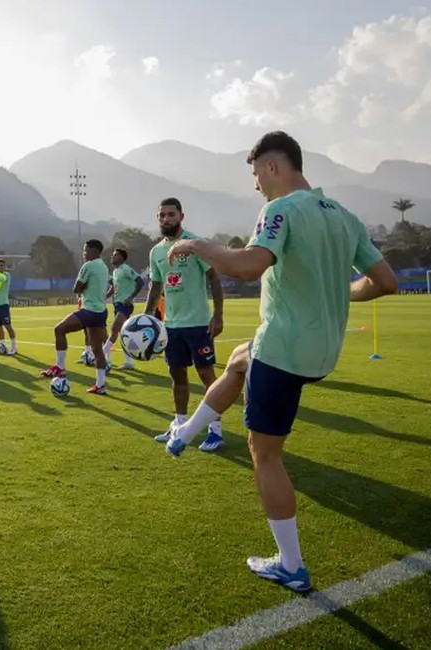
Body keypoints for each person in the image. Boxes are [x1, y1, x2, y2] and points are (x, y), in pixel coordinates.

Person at [162, 130, 398, 592]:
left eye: (255, 174)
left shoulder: (280, 210)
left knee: (265, 456)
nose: (255, 185)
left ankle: (290, 564)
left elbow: (250, 265)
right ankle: (186, 433)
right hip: (320, 352)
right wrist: (345, 290)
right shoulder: (345, 217)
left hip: (286, 348)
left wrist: (199, 246)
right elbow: (386, 281)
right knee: (239, 359)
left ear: (272, 167)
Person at [145, 197, 226, 452]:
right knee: (177, 375)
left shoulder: (194, 244)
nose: (166, 219)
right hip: (172, 325)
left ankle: (215, 430)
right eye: (161, 215)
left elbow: (214, 278)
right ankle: (179, 424)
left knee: (206, 376)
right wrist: (147, 317)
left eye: (171, 214)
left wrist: (218, 315)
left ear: (181, 216)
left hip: (199, 322)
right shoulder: (156, 252)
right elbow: (156, 286)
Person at [40, 239, 110, 394]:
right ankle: (100, 385)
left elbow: (76, 288)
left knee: (59, 329)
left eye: (85, 250)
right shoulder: (104, 267)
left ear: (94, 250)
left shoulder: (89, 265)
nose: (84, 253)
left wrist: (82, 290)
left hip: (89, 310)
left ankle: (60, 368)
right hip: (101, 311)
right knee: (98, 350)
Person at [101, 247, 145, 370]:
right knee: (122, 333)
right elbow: (113, 289)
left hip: (125, 305)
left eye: (115, 255)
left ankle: (101, 356)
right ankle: (129, 362)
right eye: (113, 255)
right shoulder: (115, 272)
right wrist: (103, 297)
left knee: (114, 329)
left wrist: (131, 297)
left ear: (122, 257)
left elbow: (140, 282)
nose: (112, 257)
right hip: (117, 305)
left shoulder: (126, 269)